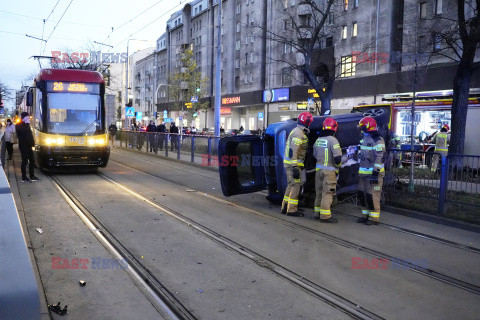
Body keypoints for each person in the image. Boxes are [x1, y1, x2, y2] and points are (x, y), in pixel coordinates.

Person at [282, 111, 313, 217]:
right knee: (296, 186)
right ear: (307, 122)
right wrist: (295, 167)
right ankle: (292, 210)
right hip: (293, 165)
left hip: (290, 164)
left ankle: (285, 207)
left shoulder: (297, 131)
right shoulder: (299, 134)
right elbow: (294, 151)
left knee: (290, 185)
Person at [312, 117, 342, 223]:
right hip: (329, 172)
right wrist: (338, 166)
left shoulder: (318, 140)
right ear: (334, 128)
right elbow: (338, 157)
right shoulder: (333, 140)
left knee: (319, 193)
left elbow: (314, 154)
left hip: (318, 171)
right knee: (328, 193)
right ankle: (325, 216)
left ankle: (317, 213)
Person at [356, 117, 385, 225]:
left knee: (373, 195)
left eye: (362, 127)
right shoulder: (364, 139)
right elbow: (360, 153)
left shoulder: (378, 140)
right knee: (363, 195)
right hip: (363, 174)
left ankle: (373, 218)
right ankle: (365, 215)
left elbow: (379, 157)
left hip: (374, 175)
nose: (361, 130)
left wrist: (376, 173)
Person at [16, 112, 40, 182]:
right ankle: (24, 177)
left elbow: (29, 135)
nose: (28, 118)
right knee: (24, 161)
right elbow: (21, 131)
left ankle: (32, 176)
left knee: (32, 161)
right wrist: (26, 124)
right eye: (27, 117)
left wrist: (32, 144)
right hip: (23, 146)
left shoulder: (27, 125)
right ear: (23, 117)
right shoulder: (18, 125)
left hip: (29, 146)